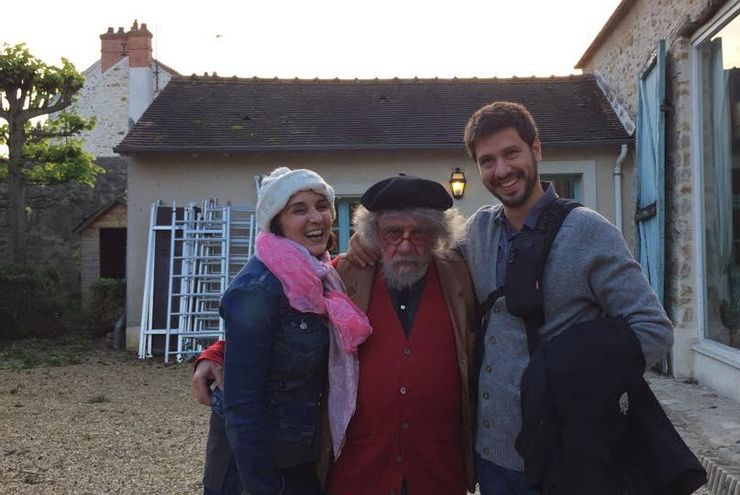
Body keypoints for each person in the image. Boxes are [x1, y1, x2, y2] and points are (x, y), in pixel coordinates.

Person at [347, 101, 674, 495]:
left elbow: (653, 330)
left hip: (566, 454)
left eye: (511, 153)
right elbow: (419, 250)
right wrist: (366, 240)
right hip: (492, 458)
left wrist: (572, 381)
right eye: (487, 161)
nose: (501, 170)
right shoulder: (478, 232)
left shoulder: (589, 232)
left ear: (536, 149)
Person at [193, 175, 478, 495]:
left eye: (421, 233)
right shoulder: (340, 276)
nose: (406, 246)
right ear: (373, 233)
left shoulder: (461, 276)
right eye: (393, 232)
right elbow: (280, 321)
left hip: (436, 470)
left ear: (439, 234)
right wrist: (219, 352)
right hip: (359, 470)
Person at [196, 167, 371, 495]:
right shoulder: (258, 289)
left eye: (322, 206)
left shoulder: (320, 276)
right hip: (254, 468)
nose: (316, 217)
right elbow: (241, 404)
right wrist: (264, 487)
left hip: (298, 453)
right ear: (276, 223)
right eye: (299, 210)